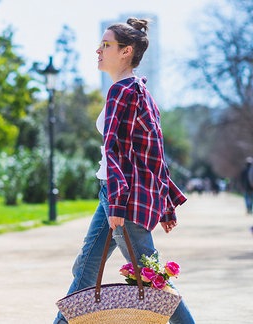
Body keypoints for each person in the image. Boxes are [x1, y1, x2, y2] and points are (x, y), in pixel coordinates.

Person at [53, 18, 195, 323]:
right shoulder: (141, 91)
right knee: (87, 271)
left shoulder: (121, 91)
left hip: (121, 200)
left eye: (106, 45)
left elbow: (115, 150)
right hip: (115, 195)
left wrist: (117, 203)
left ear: (126, 51)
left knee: (151, 279)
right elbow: (153, 154)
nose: (98, 50)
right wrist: (166, 204)